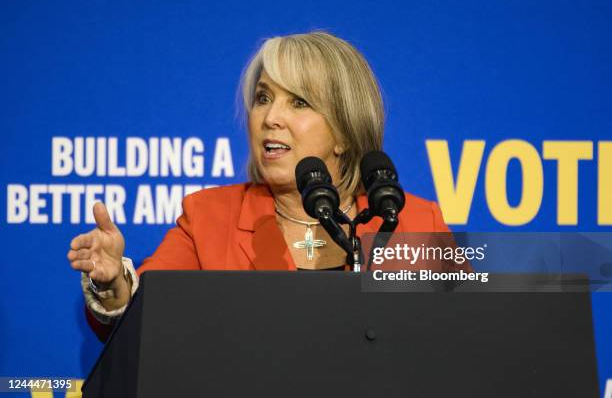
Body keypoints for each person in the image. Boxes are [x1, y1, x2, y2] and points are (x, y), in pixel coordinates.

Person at [67, 31, 456, 341]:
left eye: (299, 102)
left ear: (343, 131)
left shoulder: (414, 222)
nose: (271, 117)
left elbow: (469, 337)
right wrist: (114, 284)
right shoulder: (208, 218)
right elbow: (146, 319)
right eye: (263, 98)